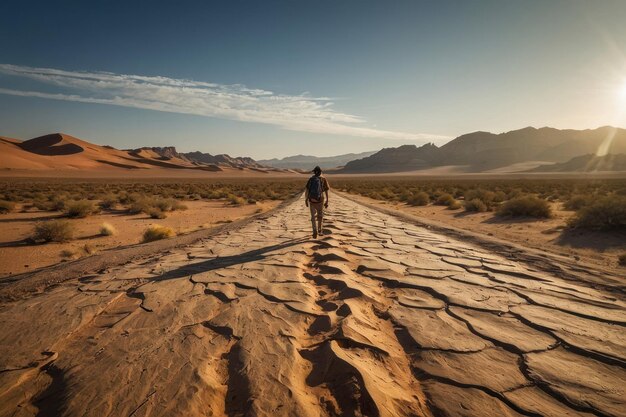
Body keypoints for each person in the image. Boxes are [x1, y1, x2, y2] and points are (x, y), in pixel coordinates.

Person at [305, 166, 330, 238]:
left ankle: (314, 230)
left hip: (311, 200)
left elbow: (307, 190)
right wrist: (327, 201)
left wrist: (306, 199)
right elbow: (326, 190)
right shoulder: (323, 179)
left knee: (313, 216)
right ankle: (319, 230)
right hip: (320, 200)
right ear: (320, 172)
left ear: (314, 172)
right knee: (320, 215)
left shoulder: (311, 179)